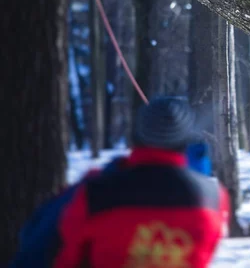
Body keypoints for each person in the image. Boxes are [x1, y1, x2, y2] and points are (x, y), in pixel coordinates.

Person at [10, 96, 229, 268]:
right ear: (186, 144)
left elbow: (61, 257)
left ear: (135, 137)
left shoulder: (95, 193)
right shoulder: (215, 198)